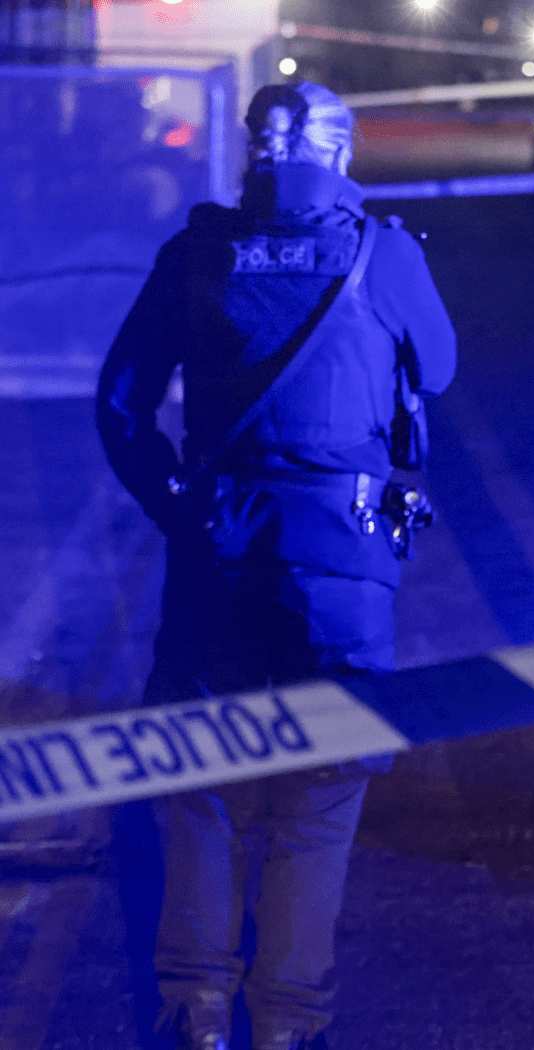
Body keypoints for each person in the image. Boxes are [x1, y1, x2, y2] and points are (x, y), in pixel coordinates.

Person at [96, 81, 456, 1050]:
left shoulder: (198, 253)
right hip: (340, 564)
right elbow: (443, 368)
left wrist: (171, 502)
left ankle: (199, 1008)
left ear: (250, 153)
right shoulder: (383, 254)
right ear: (343, 156)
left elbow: (120, 404)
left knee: (204, 788)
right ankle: (288, 1023)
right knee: (320, 794)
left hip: (215, 544)